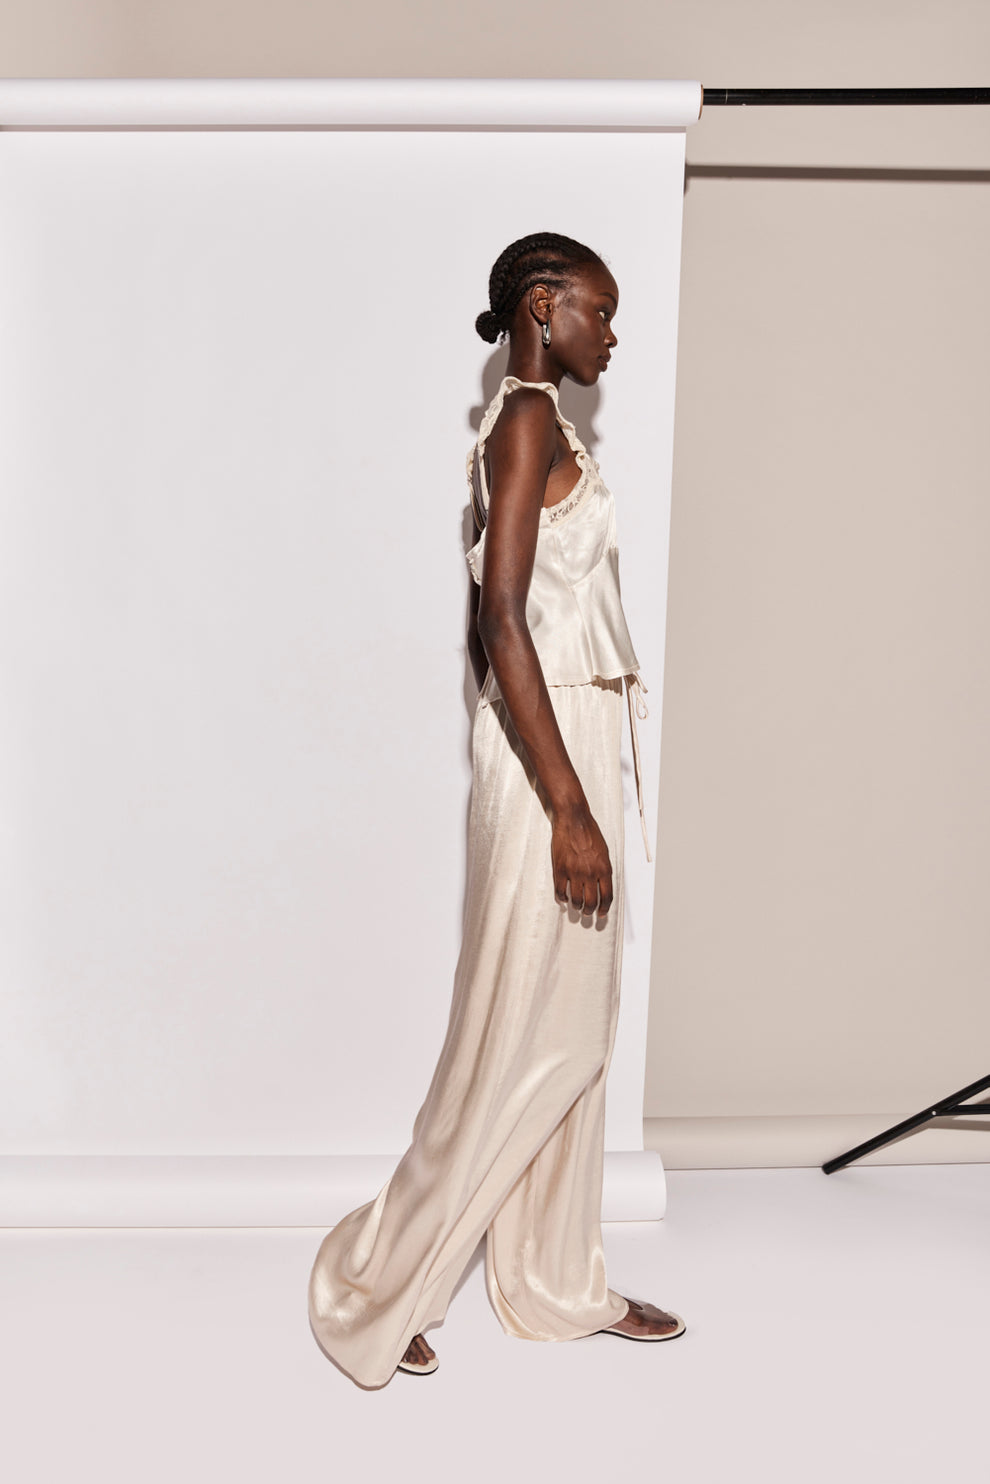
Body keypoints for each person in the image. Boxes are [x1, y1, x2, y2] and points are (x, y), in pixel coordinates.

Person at [308, 231, 685, 1388]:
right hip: (547, 758)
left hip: (568, 741)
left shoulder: (543, 422)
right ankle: (383, 1280)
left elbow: (513, 619)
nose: (610, 335)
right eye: (598, 312)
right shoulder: (525, 423)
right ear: (541, 304)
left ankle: (554, 1278)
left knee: (572, 1028)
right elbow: (501, 618)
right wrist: (566, 803)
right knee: (521, 1031)